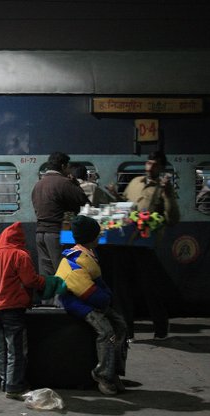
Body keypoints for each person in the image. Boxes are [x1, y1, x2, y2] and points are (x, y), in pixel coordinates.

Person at [0, 222, 66, 400]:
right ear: (19, 240)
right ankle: (14, 386)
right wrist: (46, 282)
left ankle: (4, 382)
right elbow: (29, 280)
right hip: (14, 307)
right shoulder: (20, 255)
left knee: (2, 347)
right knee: (16, 349)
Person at [103, 150, 180, 341]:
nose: (149, 166)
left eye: (154, 164)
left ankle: (161, 329)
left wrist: (168, 194)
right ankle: (126, 331)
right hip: (124, 243)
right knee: (122, 289)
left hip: (145, 245)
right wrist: (115, 196)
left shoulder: (164, 189)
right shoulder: (135, 182)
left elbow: (172, 219)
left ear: (161, 167)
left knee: (150, 288)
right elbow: (125, 207)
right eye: (148, 162)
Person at [55, 215, 128, 396]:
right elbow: (87, 291)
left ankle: (114, 370)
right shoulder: (74, 261)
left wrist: (105, 299)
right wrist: (105, 301)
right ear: (90, 237)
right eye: (97, 234)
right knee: (106, 332)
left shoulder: (87, 254)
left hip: (88, 299)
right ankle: (102, 375)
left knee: (121, 326)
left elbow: (97, 284)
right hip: (76, 303)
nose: (99, 236)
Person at [31, 152, 90, 276]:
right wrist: (75, 184)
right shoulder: (64, 183)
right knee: (64, 273)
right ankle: (62, 296)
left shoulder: (38, 185)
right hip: (58, 234)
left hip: (40, 234)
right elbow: (84, 202)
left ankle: (49, 296)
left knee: (47, 276)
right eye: (68, 167)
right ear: (63, 166)